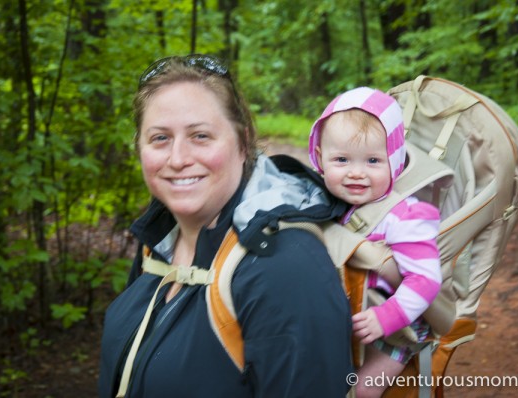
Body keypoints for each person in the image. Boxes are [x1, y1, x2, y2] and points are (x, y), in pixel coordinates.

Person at [98, 54, 353, 398]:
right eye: (159, 138)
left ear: (243, 142)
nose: (177, 159)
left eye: (200, 135)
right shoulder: (157, 243)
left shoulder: (286, 266)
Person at [308, 87, 442, 397]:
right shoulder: (320, 204)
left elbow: (425, 277)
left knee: (363, 391)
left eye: (372, 161)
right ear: (320, 158)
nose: (357, 173)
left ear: (394, 161)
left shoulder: (403, 218)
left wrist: (388, 318)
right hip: (342, 318)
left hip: (392, 326)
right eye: (341, 159)